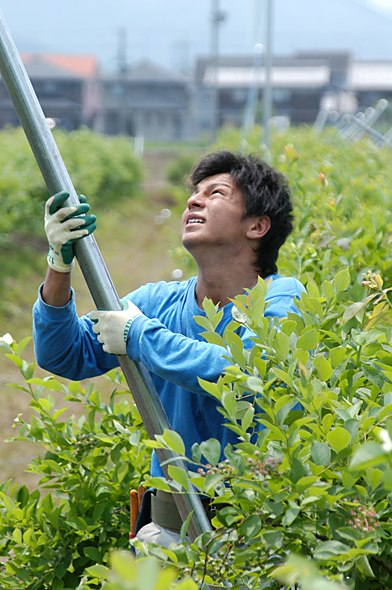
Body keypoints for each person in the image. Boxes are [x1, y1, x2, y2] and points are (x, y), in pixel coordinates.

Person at [33, 149, 304, 547]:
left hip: (257, 538)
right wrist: (59, 265)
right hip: (167, 534)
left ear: (258, 226)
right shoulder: (156, 302)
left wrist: (140, 336)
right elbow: (64, 354)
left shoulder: (283, 300)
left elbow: (245, 372)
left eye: (216, 193)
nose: (194, 200)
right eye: (195, 193)